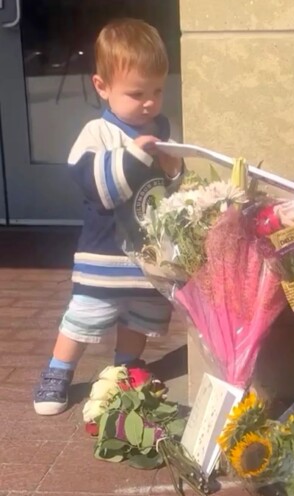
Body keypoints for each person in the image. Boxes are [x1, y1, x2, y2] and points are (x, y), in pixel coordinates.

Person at [33, 18, 183, 415]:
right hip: (104, 258)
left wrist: (173, 170)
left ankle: (127, 368)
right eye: (136, 93)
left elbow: (172, 192)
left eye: (157, 90)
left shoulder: (163, 128)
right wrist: (137, 154)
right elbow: (97, 187)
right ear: (102, 87)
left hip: (147, 258)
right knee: (85, 315)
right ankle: (58, 370)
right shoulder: (96, 133)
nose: (149, 102)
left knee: (141, 316)